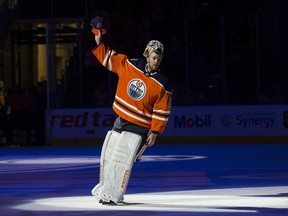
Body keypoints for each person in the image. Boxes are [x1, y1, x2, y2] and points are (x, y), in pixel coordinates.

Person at [89, 16, 173, 205]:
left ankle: (113, 194)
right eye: (154, 57)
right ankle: (105, 188)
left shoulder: (164, 82)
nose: (156, 60)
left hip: (140, 127)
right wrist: (98, 40)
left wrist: (155, 132)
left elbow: (162, 109)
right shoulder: (130, 64)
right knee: (109, 154)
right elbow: (108, 58)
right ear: (147, 54)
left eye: (159, 57)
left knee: (121, 159)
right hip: (121, 120)